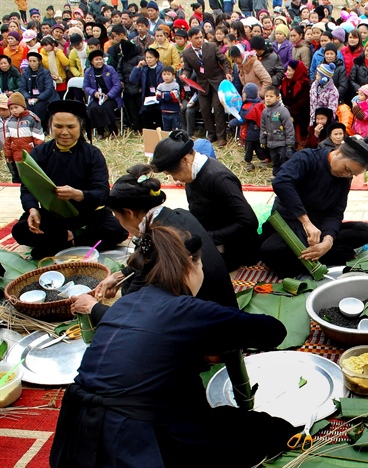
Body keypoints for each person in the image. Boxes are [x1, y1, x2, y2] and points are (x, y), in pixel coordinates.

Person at [50, 223, 295, 467]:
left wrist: (198, 354)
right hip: (132, 445)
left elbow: (149, 353)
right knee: (264, 431)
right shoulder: (189, 309)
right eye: (201, 265)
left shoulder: (126, 303)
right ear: (191, 263)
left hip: (74, 438)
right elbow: (273, 331)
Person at [71, 164, 239, 321]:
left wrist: (92, 307)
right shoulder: (180, 215)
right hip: (227, 310)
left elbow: (129, 316)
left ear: (128, 213)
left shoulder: (156, 248)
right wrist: (120, 275)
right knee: (129, 284)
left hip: (206, 326)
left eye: (117, 216)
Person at [12, 100, 128, 260]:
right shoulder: (40, 153)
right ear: (50, 126)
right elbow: (27, 187)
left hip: (87, 216)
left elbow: (102, 194)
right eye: (58, 126)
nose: (64, 132)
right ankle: (67, 240)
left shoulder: (92, 154)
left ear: (80, 127)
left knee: (117, 230)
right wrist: (32, 209)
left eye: (70, 127)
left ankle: (65, 242)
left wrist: (77, 194)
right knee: (20, 230)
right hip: (52, 217)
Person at [259, 136, 368, 278]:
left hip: (319, 226)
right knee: (270, 250)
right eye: (346, 169)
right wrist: (306, 222)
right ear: (339, 152)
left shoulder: (344, 179)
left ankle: (321, 253)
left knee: (365, 231)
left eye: (351, 174)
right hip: (291, 221)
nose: (346, 175)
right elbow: (281, 182)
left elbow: (336, 212)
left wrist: (328, 241)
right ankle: (328, 256)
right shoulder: (307, 158)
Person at [150, 130, 260, 270]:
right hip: (208, 236)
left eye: (173, 174)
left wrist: (208, 237)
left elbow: (249, 221)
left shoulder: (218, 178)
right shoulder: (192, 173)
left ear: (186, 160)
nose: (175, 179)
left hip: (232, 246)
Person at [181, 27, 233, 147]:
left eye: (201, 37)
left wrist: (227, 72)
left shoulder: (211, 46)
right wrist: (184, 75)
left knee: (218, 109)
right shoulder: (187, 53)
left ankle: (221, 137)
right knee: (205, 110)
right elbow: (188, 68)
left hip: (217, 82)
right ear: (190, 39)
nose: (200, 40)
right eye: (196, 38)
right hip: (202, 84)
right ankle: (211, 134)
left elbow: (224, 61)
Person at [84, 49, 123, 139]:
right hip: (97, 97)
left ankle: (113, 131)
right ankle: (100, 131)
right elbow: (86, 87)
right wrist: (94, 93)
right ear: (92, 62)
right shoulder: (88, 72)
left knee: (106, 108)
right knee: (93, 108)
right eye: (96, 60)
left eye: (100, 59)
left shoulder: (110, 69)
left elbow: (117, 85)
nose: (99, 61)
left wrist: (108, 95)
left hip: (111, 97)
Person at [260, 86, 295, 178]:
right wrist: (262, 140)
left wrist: (290, 144)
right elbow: (263, 127)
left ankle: (285, 176)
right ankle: (276, 176)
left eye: (271, 96)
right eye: (266, 96)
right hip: (271, 143)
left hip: (282, 143)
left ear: (278, 98)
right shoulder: (264, 112)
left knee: (284, 160)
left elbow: (289, 127)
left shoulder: (282, 111)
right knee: (275, 160)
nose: (268, 98)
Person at [19, 51, 60, 128]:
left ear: (39, 62)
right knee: (24, 107)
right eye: (30, 61)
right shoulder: (25, 73)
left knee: (38, 107)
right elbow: (22, 88)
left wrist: (38, 99)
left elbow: (49, 89)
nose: (32, 63)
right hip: (30, 97)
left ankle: (40, 128)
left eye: (34, 61)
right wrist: (27, 98)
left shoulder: (45, 72)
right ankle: (27, 127)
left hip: (44, 97)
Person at [155, 65, 182, 131]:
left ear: (173, 76)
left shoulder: (175, 85)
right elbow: (158, 97)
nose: (166, 76)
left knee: (175, 130)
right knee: (166, 129)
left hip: (174, 112)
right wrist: (167, 96)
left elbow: (173, 95)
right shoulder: (160, 86)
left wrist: (163, 95)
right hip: (164, 111)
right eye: (164, 74)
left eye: (168, 74)